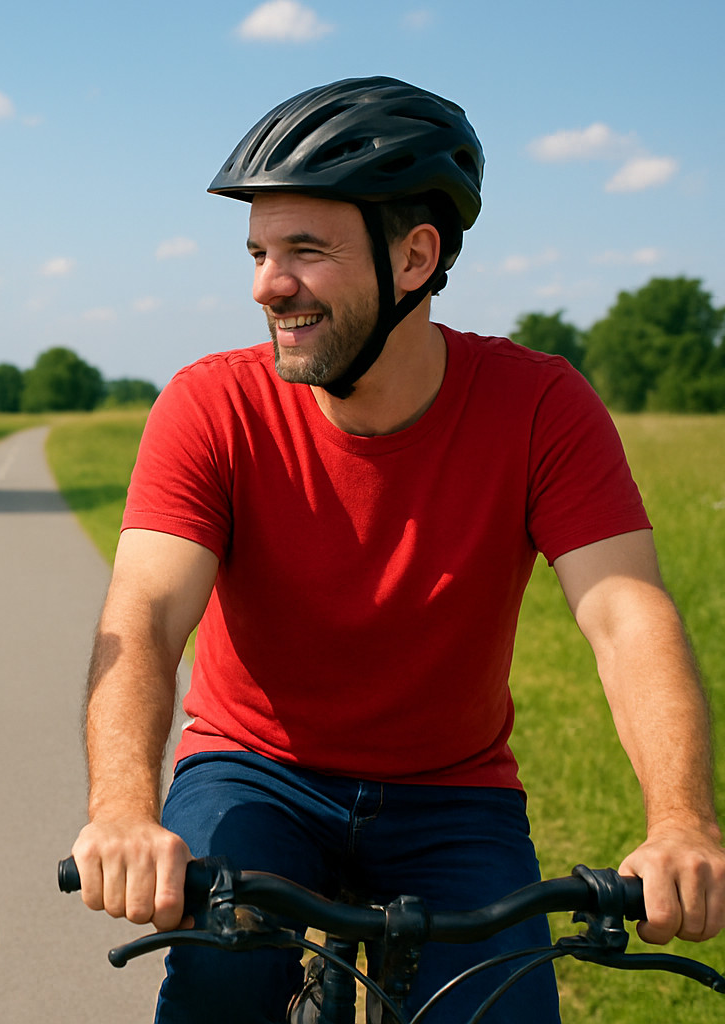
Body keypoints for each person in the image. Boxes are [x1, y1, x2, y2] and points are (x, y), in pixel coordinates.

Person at [68, 77, 725, 1022]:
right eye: (257, 252)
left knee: (504, 1005)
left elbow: (627, 616)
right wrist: (124, 810)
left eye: (305, 250)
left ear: (416, 256)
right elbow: (148, 609)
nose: (266, 284)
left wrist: (682, 824)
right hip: (257, 770)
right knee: (223, 971)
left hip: (452, 792)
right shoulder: (211, 404)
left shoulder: (541, 406)